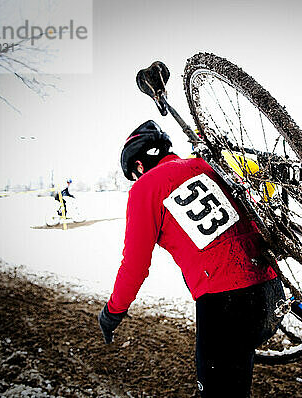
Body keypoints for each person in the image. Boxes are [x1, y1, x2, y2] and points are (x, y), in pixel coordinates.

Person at [97, 120, 284, 397]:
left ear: (139, 165)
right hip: (270, 291)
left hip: (225, 302)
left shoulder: (145, 188)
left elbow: (135, 264)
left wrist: (112, 313)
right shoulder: (206, 166)